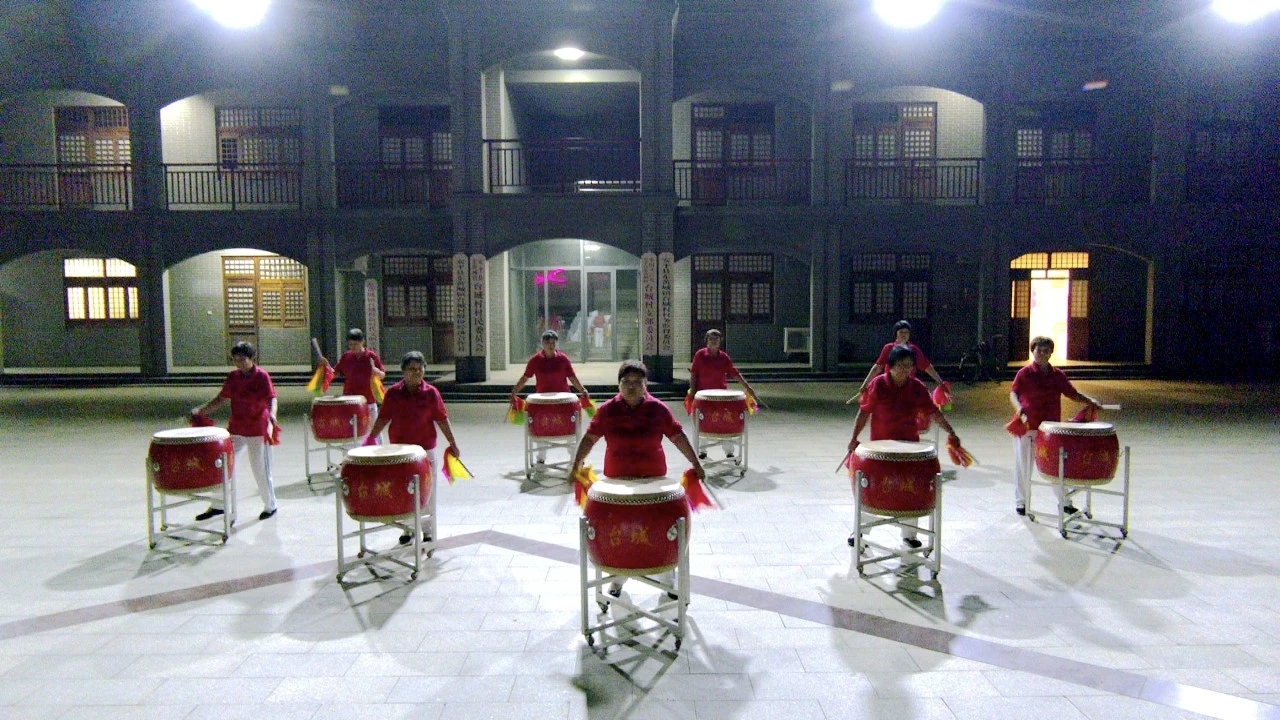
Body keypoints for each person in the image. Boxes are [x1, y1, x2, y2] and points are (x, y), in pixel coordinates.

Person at [571, 360, 706, 596]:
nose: (631, 386)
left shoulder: (658, 409)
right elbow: (590, 438)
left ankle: (666, 575)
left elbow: (677, 436)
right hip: (617, 480)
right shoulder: (608, 410)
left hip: (653, 479)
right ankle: (617, 579)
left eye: (637, 382)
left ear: (645, 385)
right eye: (626, 382)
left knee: (658, 531)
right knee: (620, 534)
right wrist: (576, 464)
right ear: (619, 385)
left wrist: (695, 462)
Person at [847, 344, 960, 549]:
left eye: (908, 366)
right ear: (890, 366)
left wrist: (951, 432)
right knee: (872, 490)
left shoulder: (917, 387)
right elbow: (864, 412)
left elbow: (933, 412)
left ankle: (909, 534)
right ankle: (860, 531)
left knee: (910, 490)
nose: (904, 370)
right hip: (881, 449)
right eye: (900, 365)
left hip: (909, 448)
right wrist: (854, 438)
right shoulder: (878, 385)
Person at [366, 351, 460, 544]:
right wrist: (371, 438)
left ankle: (427, 530)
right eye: (411, 369)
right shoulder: (393, 393)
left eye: (419, 369)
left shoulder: (431, 393)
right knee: (403, 491)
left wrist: (453, 443)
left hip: (425, 452)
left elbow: (442, 419)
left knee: (427, 492)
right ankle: (408, 529)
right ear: (403, 371)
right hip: (400, 453)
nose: (416, 372)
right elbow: (383, 418)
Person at [1010, 336, 1102, 517]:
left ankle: (1065, 502)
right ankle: (1021, 502)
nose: (1042, 354)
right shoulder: (1024, 373)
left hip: (1050, 430)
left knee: (1054, 467)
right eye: (1039, 350)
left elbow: (1072, 393)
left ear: (1051, 353)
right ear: (1033, 351)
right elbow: (1013, 393)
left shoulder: (1057, 375)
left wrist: (1089, 401)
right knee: (1023, 466)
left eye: (1046, 351)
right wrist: (1019, 409)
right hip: (1027, 426)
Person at [193, 341, 280, 522]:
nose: (239, 363)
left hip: (258, 429)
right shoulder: (233, 377)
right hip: (237, 429)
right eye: (236, 359)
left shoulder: (262, 376)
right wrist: (202, 410)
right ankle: (218, 505)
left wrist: (272, 414)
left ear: (251, 358)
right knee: (224, 466)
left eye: (242, 359)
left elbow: (271, 398)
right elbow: (221, 398)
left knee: (260, 469)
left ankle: (270, 505)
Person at [511, 330, 591, 462]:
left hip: (563, 402)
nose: (551, 345)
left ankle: (574, 458)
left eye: (553, 343)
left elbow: (572, 377)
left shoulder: (563, 359)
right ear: (542, 344)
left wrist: (582, 389)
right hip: (542, 403)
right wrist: (515, 391)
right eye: (548, 343)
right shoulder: (535, 360)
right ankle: (541, 457)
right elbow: (525, 378)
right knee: (541, 430)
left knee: (570, 430)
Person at [688, 329, 760, 458]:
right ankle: (702, 450)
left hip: (721, 397)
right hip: (703, 397)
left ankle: (729, 451)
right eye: (711, 339)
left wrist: (748, 387)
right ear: (706, 341)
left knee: (724, 424)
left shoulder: (724, 357)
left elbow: (734, 373)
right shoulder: (700, 355)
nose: (713, 341)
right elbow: (693, 373)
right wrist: (692, 391)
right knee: (702, 422)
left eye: (716, 339)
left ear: (720, 341)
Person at [850, 320, 945, 403]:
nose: (904, 335)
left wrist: (940, 382)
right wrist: (865, 384)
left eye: (906, 332)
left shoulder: (914, 349)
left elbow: (927, 367)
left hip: (907, 388)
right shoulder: (889, 348)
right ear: (896, 334)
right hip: (889, 387)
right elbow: (877, 368)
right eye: (901, 332)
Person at [316, 328, 386, 432]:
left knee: (374, 431)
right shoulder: (346, 356)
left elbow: (382, 375)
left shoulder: (371, 356)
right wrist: (326, 366)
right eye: (350, 344)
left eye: (356, 344)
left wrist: (376, 371)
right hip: (349, 399)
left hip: (368, 399)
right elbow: (334, 373)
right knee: (351, 430)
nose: (353, 347)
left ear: (362, 342)